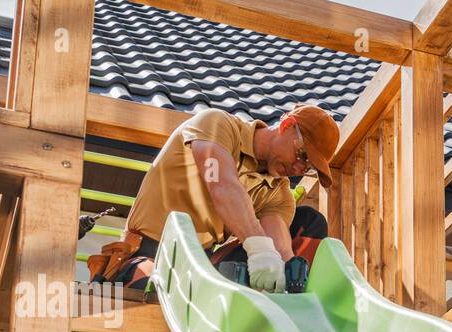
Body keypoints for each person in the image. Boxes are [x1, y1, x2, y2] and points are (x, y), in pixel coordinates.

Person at [89, 105, 337, 291]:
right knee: (157, 286)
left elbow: (280, 245)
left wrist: (287, 275)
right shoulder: (217, 125)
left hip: (202, 268)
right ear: (286, 125)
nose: (299, 168)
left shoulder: (279, 193)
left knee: (309, 222)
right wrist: (260, 249)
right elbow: (221, 184)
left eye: (309, 167)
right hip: (148, 256)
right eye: (302, 155)